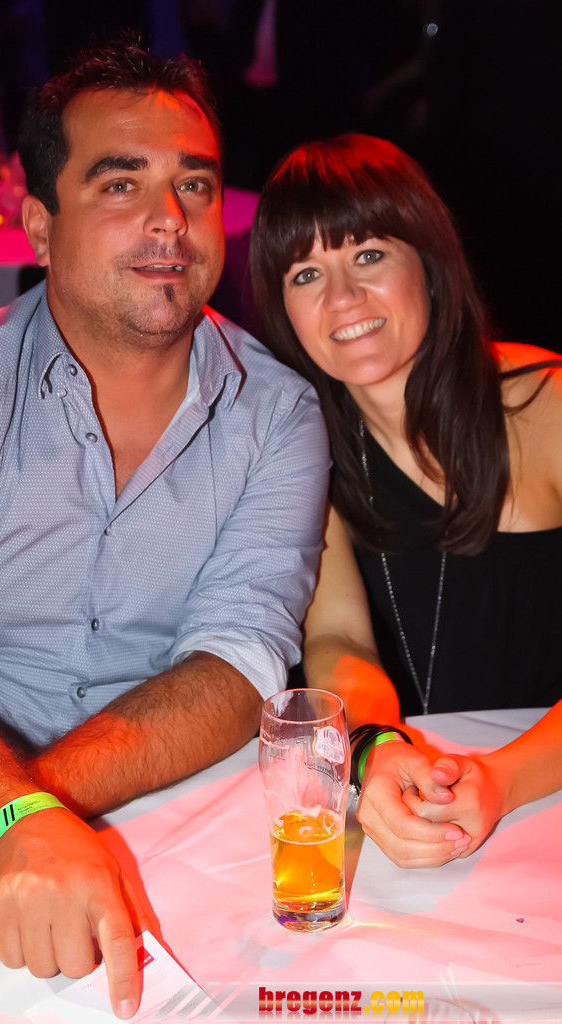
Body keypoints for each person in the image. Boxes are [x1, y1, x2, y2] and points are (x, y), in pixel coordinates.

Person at [0, 42, 329, 1018]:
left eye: (193, 184)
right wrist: (8, 817)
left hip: (174, 819)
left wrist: (18, 810)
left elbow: (239, 659)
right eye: (121, 183)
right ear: (41, 225)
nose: (171, 219)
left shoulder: (280, 415)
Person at [249, 132, 562, 870]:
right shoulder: (305, 447)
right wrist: (376, 749)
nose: (342, 299)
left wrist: (502, 779)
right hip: (421, 804)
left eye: (367, 255)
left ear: (430, 262)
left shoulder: (545, 403)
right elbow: (340, 641)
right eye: (305, 274)